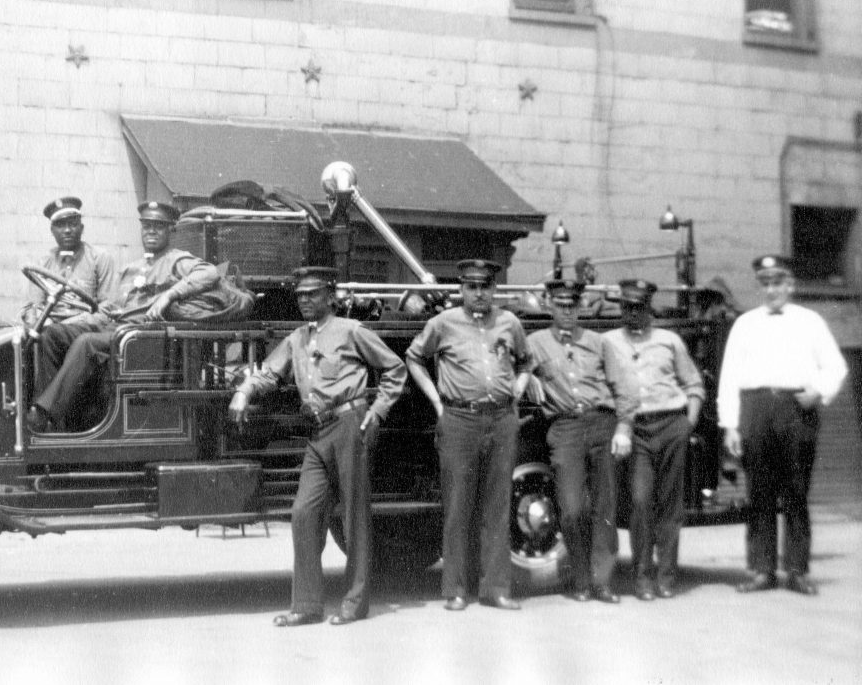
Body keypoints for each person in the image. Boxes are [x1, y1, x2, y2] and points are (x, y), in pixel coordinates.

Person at [228, 267, 406, 627]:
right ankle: (307, 606)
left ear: (331, 296)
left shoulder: (352, 331)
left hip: (349, 424)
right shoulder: (296, 337)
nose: (305, 300)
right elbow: (270, 373)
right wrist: (244, 391)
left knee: (354, 517)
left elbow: (395, 368)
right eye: (300, 295)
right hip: (318, 431)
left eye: (313, 294)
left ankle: (355, 605)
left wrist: (378, 410)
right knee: (304, 514)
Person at [29, 200, 252, 432]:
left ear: (170, 230)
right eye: (147, 226)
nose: (151, 231)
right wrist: (71, 322)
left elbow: (209, 273)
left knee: (87, 343)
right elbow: (109, 309)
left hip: (142, 337)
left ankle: (45, 413)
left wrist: (169, 296)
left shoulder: (177, 259)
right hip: (116, 329)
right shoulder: (132, 268)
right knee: (52, 335)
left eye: (158, 226)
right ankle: (49, 420)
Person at [718, 254, 847, 596]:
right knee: (758, 493)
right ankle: (762, 570)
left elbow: (836, 366)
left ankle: (797, 570)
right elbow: (729, 377)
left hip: (796, 411)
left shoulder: (811, 321)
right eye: (766, 283)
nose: (772, 289)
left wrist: (818, 391)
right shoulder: (745, 324)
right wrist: (730, 425)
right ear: (761, 286)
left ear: (790, 285)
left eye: (778, 283)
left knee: (796, 492)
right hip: (756, 409)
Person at [405, 259, 529, 612]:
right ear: (461, 289)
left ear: (494, 290)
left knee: (497, 506)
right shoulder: (442, 323)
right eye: (471, 287)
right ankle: (456, 590)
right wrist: (437, 402)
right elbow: (414, 358)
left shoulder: (509, 322)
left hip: (501, 418)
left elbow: (526, 361)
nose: (479, 294)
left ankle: (496, 589)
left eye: (485, 287)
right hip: (459, 419)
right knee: (458, 506)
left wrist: (516, 390)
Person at [526, 279, 637, 604]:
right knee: (572, 508)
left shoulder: (598, 342)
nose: (567, 311)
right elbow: (515, 370)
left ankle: (602, 582)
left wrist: (624, 428)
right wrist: (528, 377)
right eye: (560, 305)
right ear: (549, 305)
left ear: (580, 307)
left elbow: (623, 388)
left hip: (602, 424)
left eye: (572, 305)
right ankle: (580, 579)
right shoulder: (534, 343)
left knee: (605, 508)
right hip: (565, 429)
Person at [604, 279, 705, 600]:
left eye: (638, 307)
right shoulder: (607, 342)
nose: (632, 313)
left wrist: (687, 423)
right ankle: (642, 577)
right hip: (636, 430)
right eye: (626, 307)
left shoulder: (669, 340)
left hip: (671, 424)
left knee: (670, 505)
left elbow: (694, 385)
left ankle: (666, 577)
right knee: (640, 501)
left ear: (649, 309)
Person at [22, 196, 116, 326]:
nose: (67, 230)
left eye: (72, 224)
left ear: (81, 228)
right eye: (60, 225)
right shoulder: (42, 263)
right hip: (49, 326)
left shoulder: (99, 258)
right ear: (52, 231)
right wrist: (37, 319)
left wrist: (75, 322)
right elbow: (33, 305)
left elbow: (107, 307)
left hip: (83, 328)